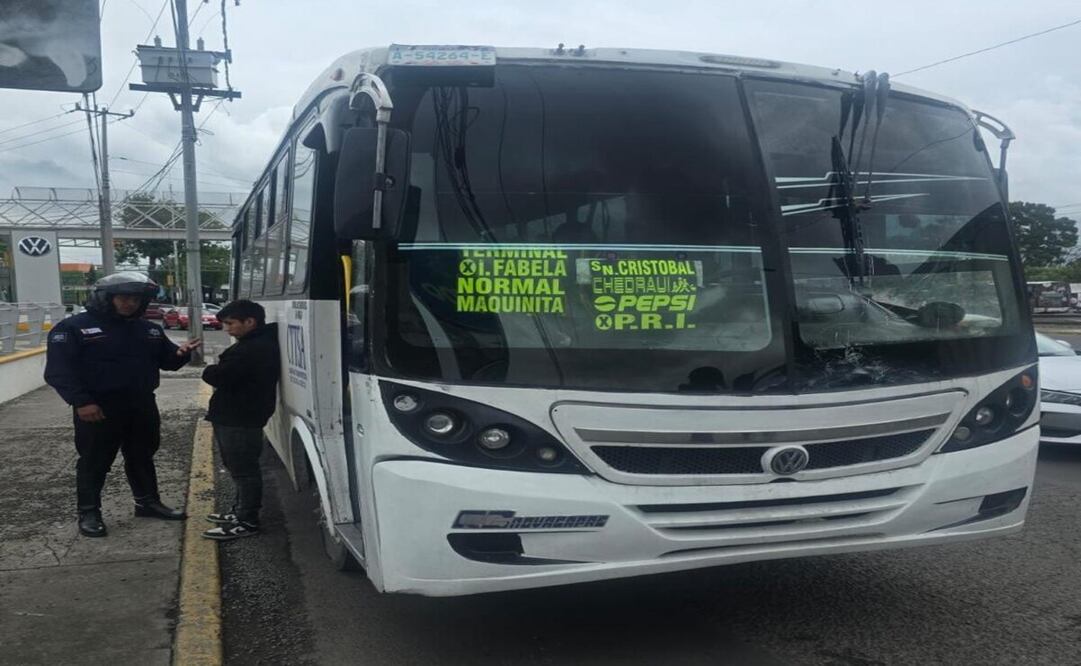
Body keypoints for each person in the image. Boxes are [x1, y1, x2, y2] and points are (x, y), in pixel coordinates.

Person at [44, 272, 202, 537]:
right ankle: (89, 512)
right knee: (94, 461)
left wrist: (181, 354)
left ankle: (147, 503)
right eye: (124, 297)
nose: (130, 303)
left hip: (141, 404)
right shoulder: (73, 327)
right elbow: (59, 372)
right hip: (98, 408)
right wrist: (82, 402)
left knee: (142, 455)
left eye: (136, 299)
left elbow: (167, 362)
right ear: (106, 298)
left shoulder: (148, 329)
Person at [200, 299, 280, 541]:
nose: (227, 329)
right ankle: (239, 512)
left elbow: (219, 376)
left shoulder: (251, 349)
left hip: (239, 418)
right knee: (238, 469)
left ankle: (247, 521)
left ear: (250, 322)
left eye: (230, 323)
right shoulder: (255, 343)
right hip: (238, 416)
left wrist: (209, 370)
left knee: (244, 470)